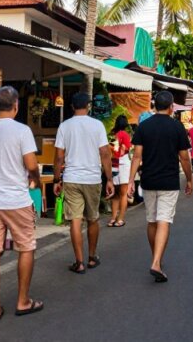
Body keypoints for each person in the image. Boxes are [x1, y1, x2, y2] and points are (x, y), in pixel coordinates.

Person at [0, 86, 44, 321]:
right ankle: (22, 301)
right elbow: (32, 165)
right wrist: (35, 180)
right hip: (16, 200)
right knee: (26, 247)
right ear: (16, 106)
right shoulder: (22, 131)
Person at [125, 91, 193, 282]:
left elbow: (137, 156)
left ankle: (156, 258)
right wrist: (190, 179)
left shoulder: (144, 127)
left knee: (152, 220)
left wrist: (130, 181)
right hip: (169, 181)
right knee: (164, 220)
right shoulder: (177, 126)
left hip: (148, 180)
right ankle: (156, 261)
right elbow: (184, 157)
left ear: (154, 105)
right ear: (171, 106)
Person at [54, 93, 115, 274]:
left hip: (71, 178)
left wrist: (56, 180)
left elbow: (58, 157)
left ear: (72, 107)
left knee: (75, 219)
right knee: (93, 217)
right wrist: (110, 179)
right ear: (88, 106)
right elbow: (105, 153)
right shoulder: (97, 126)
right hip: (92, 178)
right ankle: (92, 257)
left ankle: (79, 261)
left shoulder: (64, 126)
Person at [108, 115, 133, 227]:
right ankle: (120, 219)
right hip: (123, 164)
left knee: (115, 195)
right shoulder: (125, 135)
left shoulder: (112, 135)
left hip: (113, 164)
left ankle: (112, 218)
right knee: (123, 194)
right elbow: (127, 149)